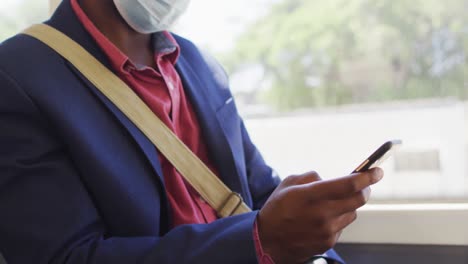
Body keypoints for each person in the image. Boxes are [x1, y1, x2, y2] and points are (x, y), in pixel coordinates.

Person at [0, 0, 383, 263]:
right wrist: (259, 242)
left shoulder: (197, 64)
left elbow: (261, 194)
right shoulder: (17, 76)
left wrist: (313, 242)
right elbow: (68, 256)